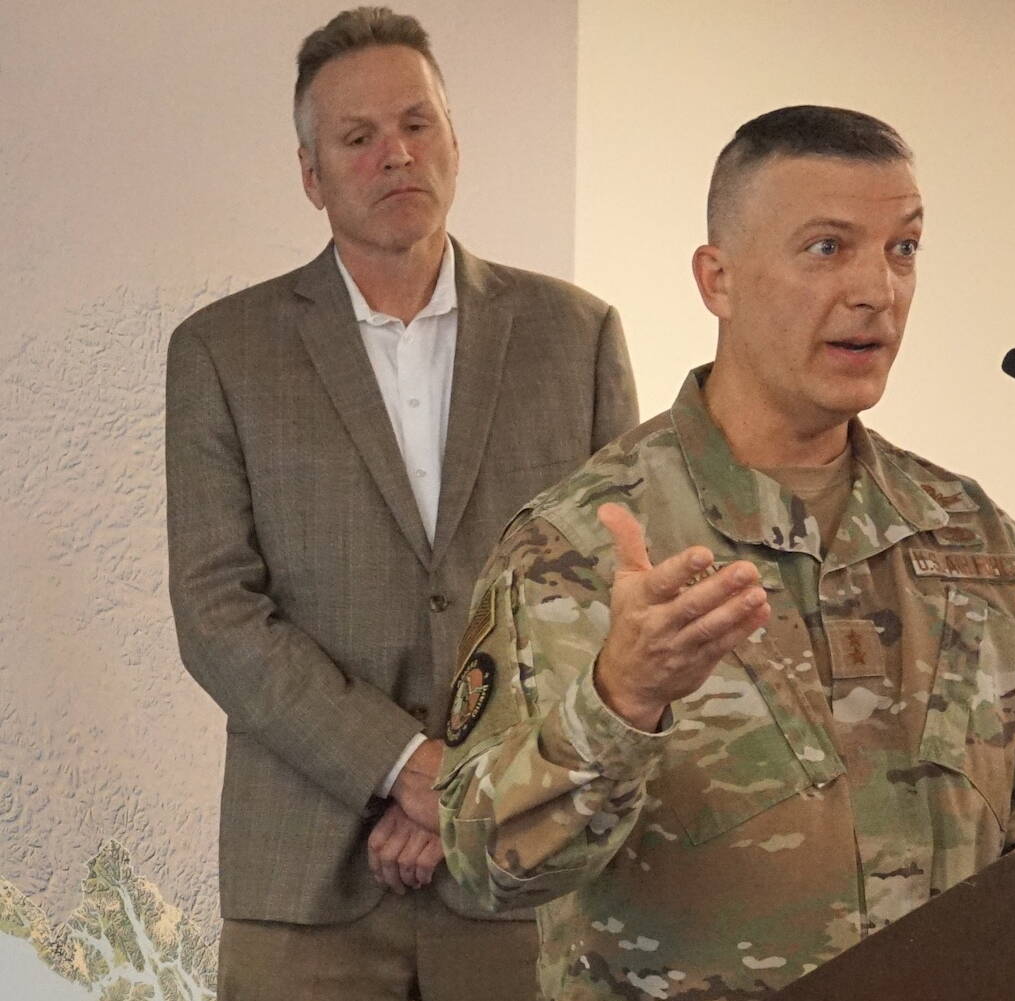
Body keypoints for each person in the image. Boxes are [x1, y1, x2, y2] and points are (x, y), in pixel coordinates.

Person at [436, 105, 1015, 1000]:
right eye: (827, 248)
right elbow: (487, 864)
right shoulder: (577, 547)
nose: (876, 289)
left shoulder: (974, 541)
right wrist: (620, 699)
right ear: (717, 279)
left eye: (902, 248)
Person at [165, 7, 638, 998]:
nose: (396, 154)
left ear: (454, 142)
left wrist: (456, 786)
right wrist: (404, 764)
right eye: (358, 136)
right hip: (302, 880)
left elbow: (600, 597)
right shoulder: (221, 352)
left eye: (417, 124)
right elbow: (218, 615)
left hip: (519, 869)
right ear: (312, 175)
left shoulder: (577, 336)